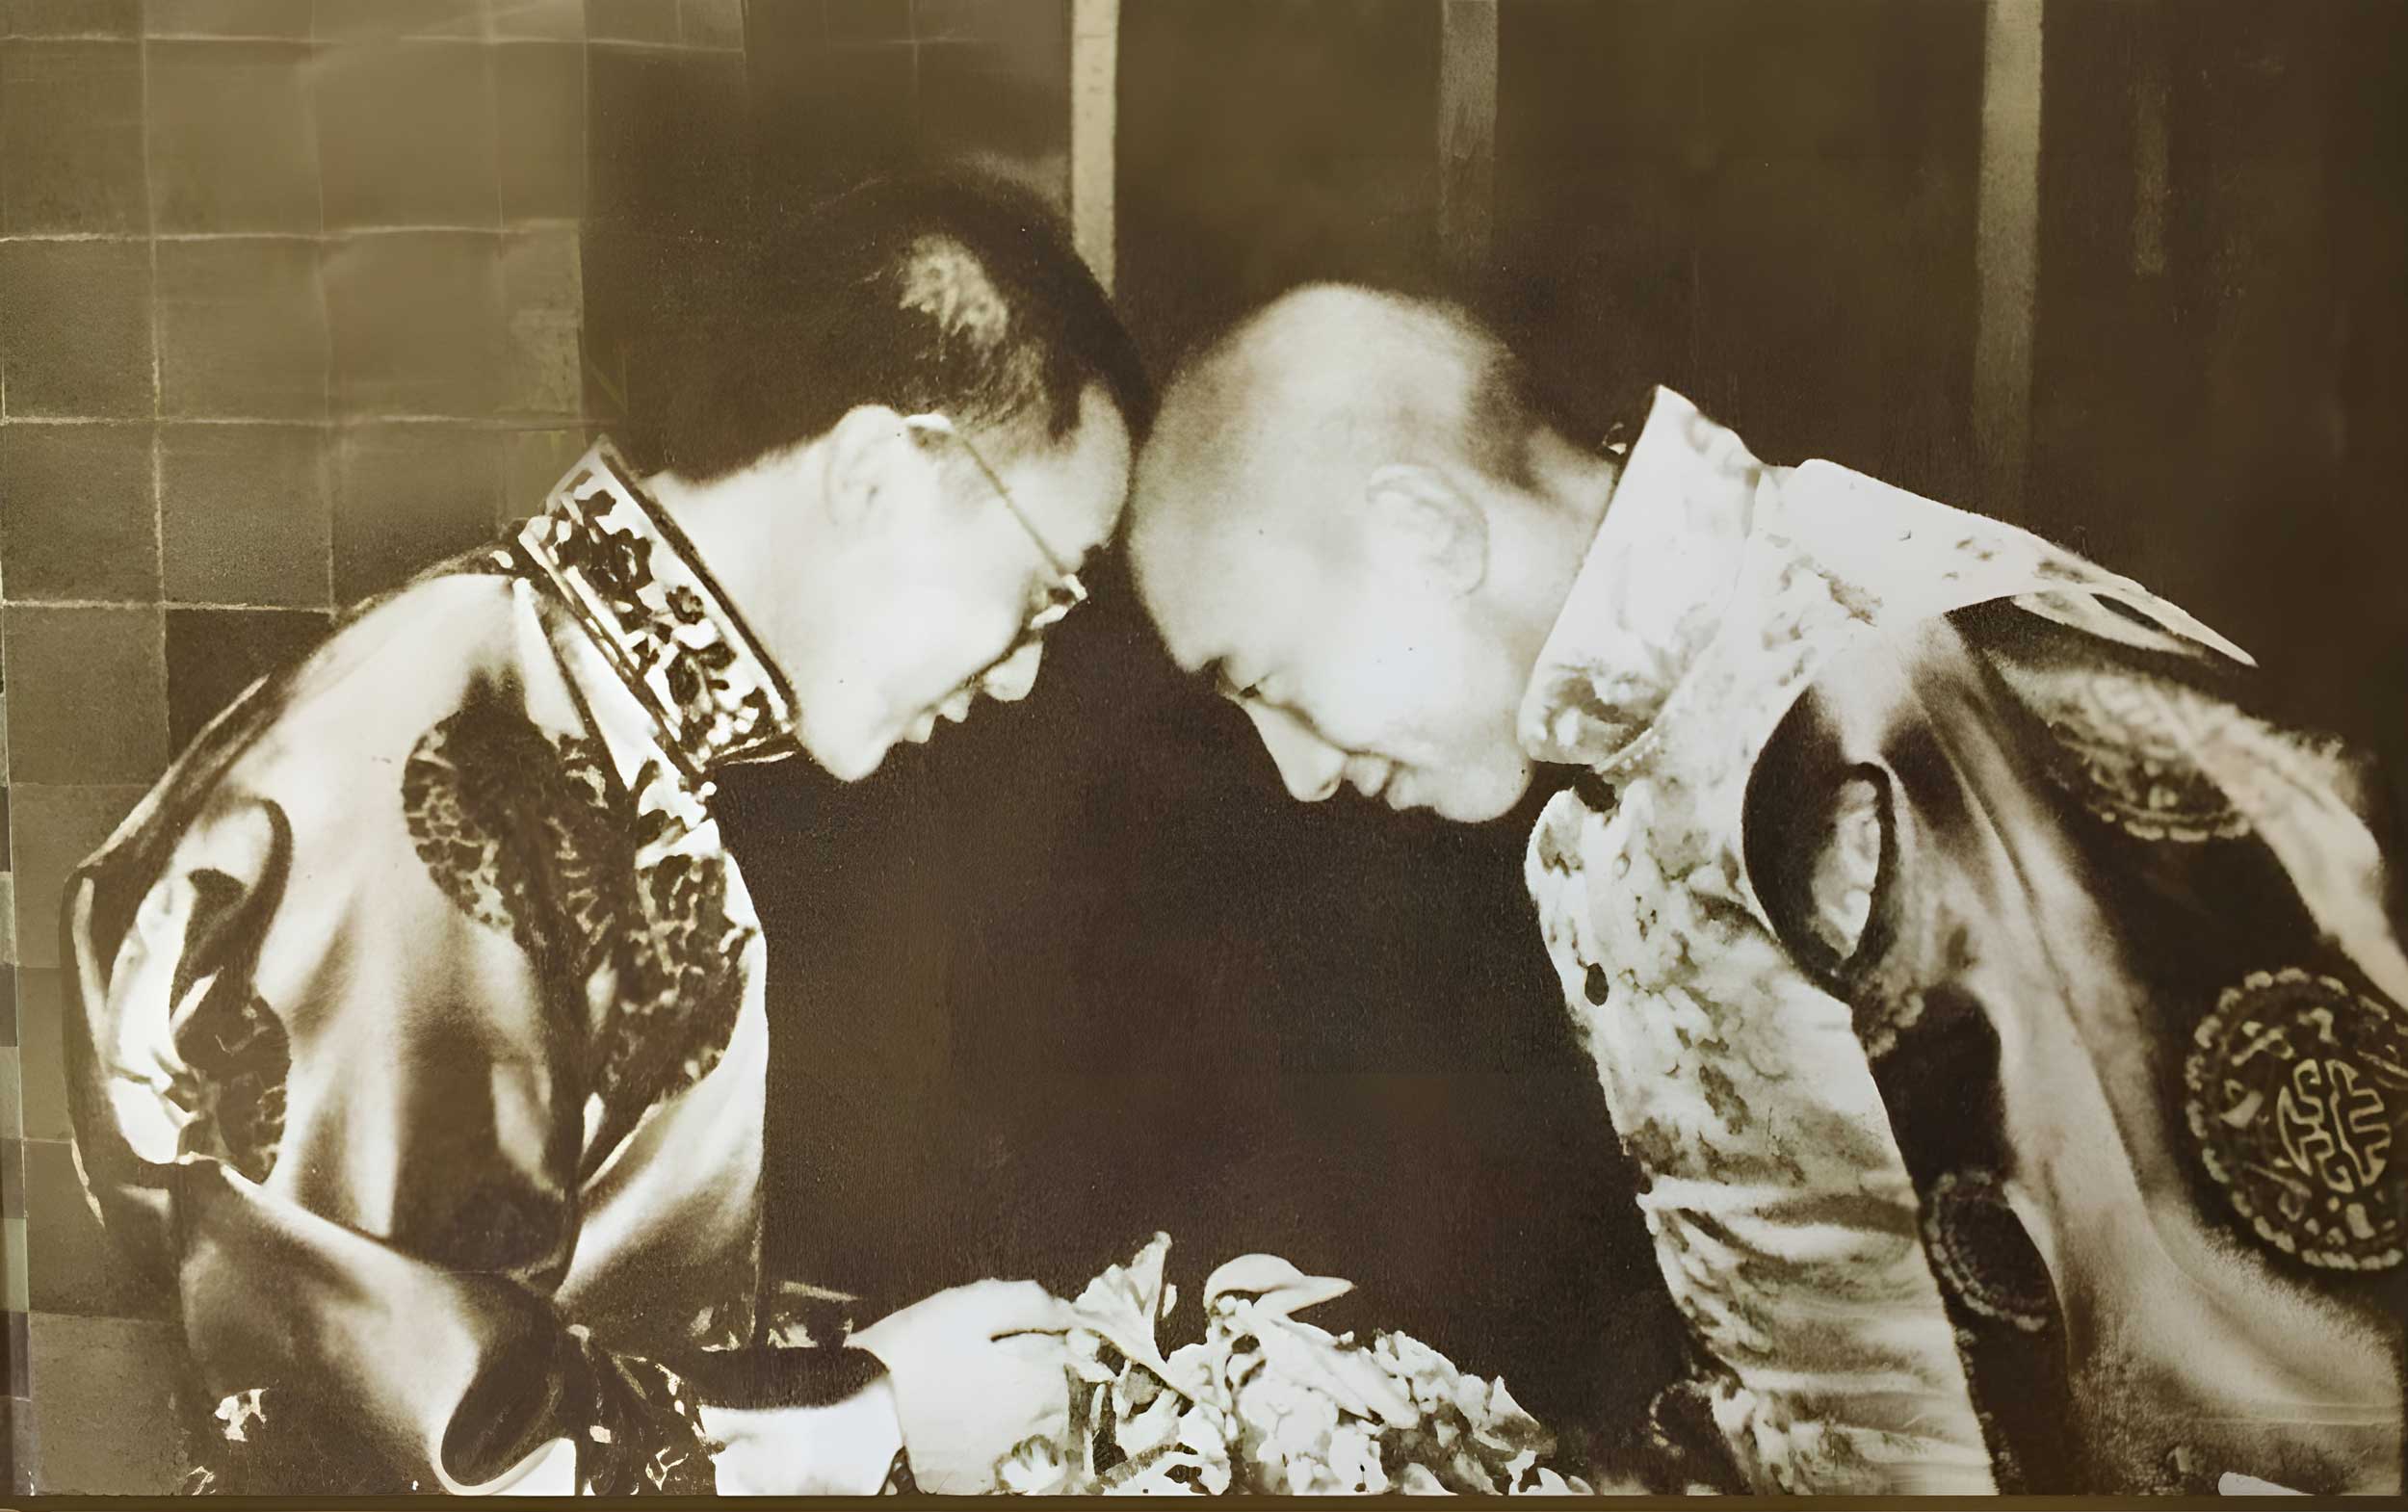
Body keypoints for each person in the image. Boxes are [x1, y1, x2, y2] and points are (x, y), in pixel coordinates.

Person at [1124, 283, 2407, 1496]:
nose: (1293, 774)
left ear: (1425, 530)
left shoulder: (1874, 688)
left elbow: (2253, 1365)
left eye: (1267, 682)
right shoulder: (1627, 761)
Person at [58, 172, 1148, 1496]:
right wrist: (865, 1414)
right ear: (877, 469)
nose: (1022, 674)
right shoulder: (462, 740)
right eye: (1042, 591)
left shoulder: (562, 719)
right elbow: (392, 1434)